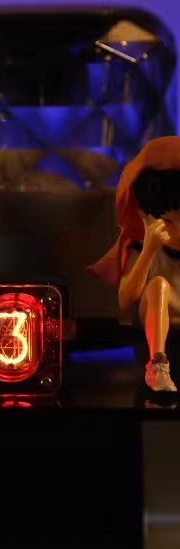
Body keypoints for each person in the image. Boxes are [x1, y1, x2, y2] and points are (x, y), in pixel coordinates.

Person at [88, 136, 180, 392]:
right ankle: (158, 364)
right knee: (158, 285)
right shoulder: (144, 248)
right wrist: (149, 250)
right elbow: (126, 302)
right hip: (157, 324)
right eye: (170, 222)